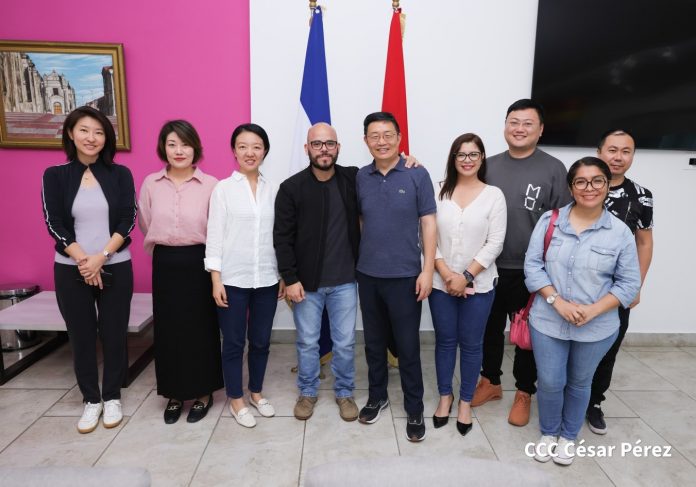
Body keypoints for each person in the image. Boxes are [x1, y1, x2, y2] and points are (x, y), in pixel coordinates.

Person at [524, 157, 640, 465]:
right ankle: (549, 433)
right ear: (571, 187)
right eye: (581, 182)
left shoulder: (619, 233)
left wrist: (592, 311)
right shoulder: (549, 221)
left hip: (597, 326)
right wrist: (556, 302)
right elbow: (533, 267)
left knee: (579, 381)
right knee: (549, 380)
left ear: (607, 185)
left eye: (597, 181)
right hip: (548, 319)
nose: (589, 188)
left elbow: (629, 284)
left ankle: (569, 437)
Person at [472, 99, 572, 427]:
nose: (519, 128)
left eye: (528, 123)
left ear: (540, 129)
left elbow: (563, 224)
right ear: (504, 127)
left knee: (526, 332)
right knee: (488, 327)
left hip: (531, 269)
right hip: (487, 265)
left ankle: (524, 391)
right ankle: (490, 381)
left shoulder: (554, 168)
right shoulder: (488, 165)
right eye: (513, 121)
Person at [41, 106, 136, 433]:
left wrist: (102, 257)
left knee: (113, 333)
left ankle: (111, 397)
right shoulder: (54, 175)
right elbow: (54, 223)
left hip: (115, 265)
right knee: (80, 336)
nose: (91, 138)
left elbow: (128, 219)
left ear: (105, 137)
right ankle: (90, 400)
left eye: (98, 132)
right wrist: (85, 260)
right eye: (84, 130)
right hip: (71, 270)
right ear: (71, 133)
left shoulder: (120, 174)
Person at [356, 112, 437, 442]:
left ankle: (414, 406)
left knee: (407, 346)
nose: (381, 141)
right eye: (374, 136)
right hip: (368, 275)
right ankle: (378, 396)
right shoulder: (360, 176)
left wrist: (428, 269)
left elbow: (429, 222)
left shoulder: (417, 174)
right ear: (366, 141)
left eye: (388, 134)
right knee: (374, 344)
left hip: (406, 276)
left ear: (399, 137)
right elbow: (361, 220)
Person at [138, 120, 224, 424]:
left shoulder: (212, 185)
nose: (179, 150)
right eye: (172, 144)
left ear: (195, 148)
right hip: (165, 262)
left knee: (200, 327)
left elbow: (217, 229)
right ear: (163, 147)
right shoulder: (150, 183)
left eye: (185, 144)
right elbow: (147, 223)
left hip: (199, 261)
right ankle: (174, 393)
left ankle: (203, 392)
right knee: (169, 328)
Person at [274, 123, 360, 422]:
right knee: (308, 342)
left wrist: (409, 161)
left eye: (330, 143)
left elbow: (385, 170)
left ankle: (345, 392)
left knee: (345, 342)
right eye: (317, 144)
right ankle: (308, 392)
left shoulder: (352, 179)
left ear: (338, 147)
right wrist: (291, 277)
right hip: (306, 285)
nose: (324, 149)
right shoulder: (291, 188)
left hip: (345, 282)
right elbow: (282, 238)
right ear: (307, 148)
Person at [205, 123, 285, 428]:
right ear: (234, 151)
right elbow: (214, 236)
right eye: (242, 146)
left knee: (262, 341)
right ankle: (236, 399)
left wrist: (281, 274)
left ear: (264, 151)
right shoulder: (223, 190)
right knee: (235, 342)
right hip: (232, 280)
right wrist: (216, 279)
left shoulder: (275, 189)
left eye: (256, 146)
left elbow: (280, 236)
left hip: (266, 277)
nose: (249, 152)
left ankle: (255, 392)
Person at [429, 133, 506, 436]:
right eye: (462, 154)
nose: (467, 160)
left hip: (481, 283)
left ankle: (465, 402)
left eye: (474, 154)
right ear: (453, 158)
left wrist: (467, 276)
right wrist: (448, 275)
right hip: (440, 283)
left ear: (482, 158)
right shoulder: (437, 192)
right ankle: (445, 397)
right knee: (446, 342)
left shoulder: (493, 195)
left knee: (472, 345)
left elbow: (495, 242)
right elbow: (427, 236)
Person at [587, 129, 654, 434]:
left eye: (625, 151)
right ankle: (563, 397)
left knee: (608, 348)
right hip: (575, 287)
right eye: (612, 150)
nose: (618, 156)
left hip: (616, 292)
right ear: (599, 152)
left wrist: (636, 285)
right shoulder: (579, 187)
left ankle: (594, 402)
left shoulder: (641, 196)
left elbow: (644, 241)